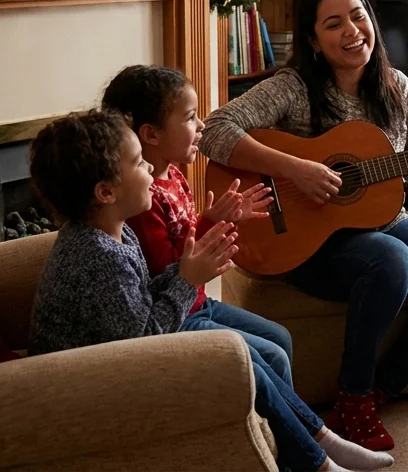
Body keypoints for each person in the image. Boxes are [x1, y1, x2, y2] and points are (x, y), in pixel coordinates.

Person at [198, 0, 408, 451]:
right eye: (333, 24)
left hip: (382, 221)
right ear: (313, 40)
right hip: (304, 239)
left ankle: (383, 388)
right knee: (392, 259)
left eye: (358, 16)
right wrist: (298, 169)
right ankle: (354, 393)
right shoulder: (295, 87)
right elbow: (216, 130)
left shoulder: (398, 88)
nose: (352, 31)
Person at [28, 110, 393, 472]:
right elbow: (142, 340)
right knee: (242, 358)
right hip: (88, 383)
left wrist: (189, 266)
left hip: (119, 355)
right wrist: (188, 279)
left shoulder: (113, 231)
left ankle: (318, 444)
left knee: (262, 348)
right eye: (139, 164)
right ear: (105, 191)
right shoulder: (98, 256)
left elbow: (138, 304)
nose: (149, 173)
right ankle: (320, 460)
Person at [101, 65, 296, 389]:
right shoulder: (140, 202)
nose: (201, 125)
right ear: (151, 134)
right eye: (190, 118)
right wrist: (211, 222)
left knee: (280, 338)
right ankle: (286, 429)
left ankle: (277, 425)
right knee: (271, 356)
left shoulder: (174, 175)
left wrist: (226, 220)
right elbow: (168, 269)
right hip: (177, 315)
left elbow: (190, 236)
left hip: (199, 302)